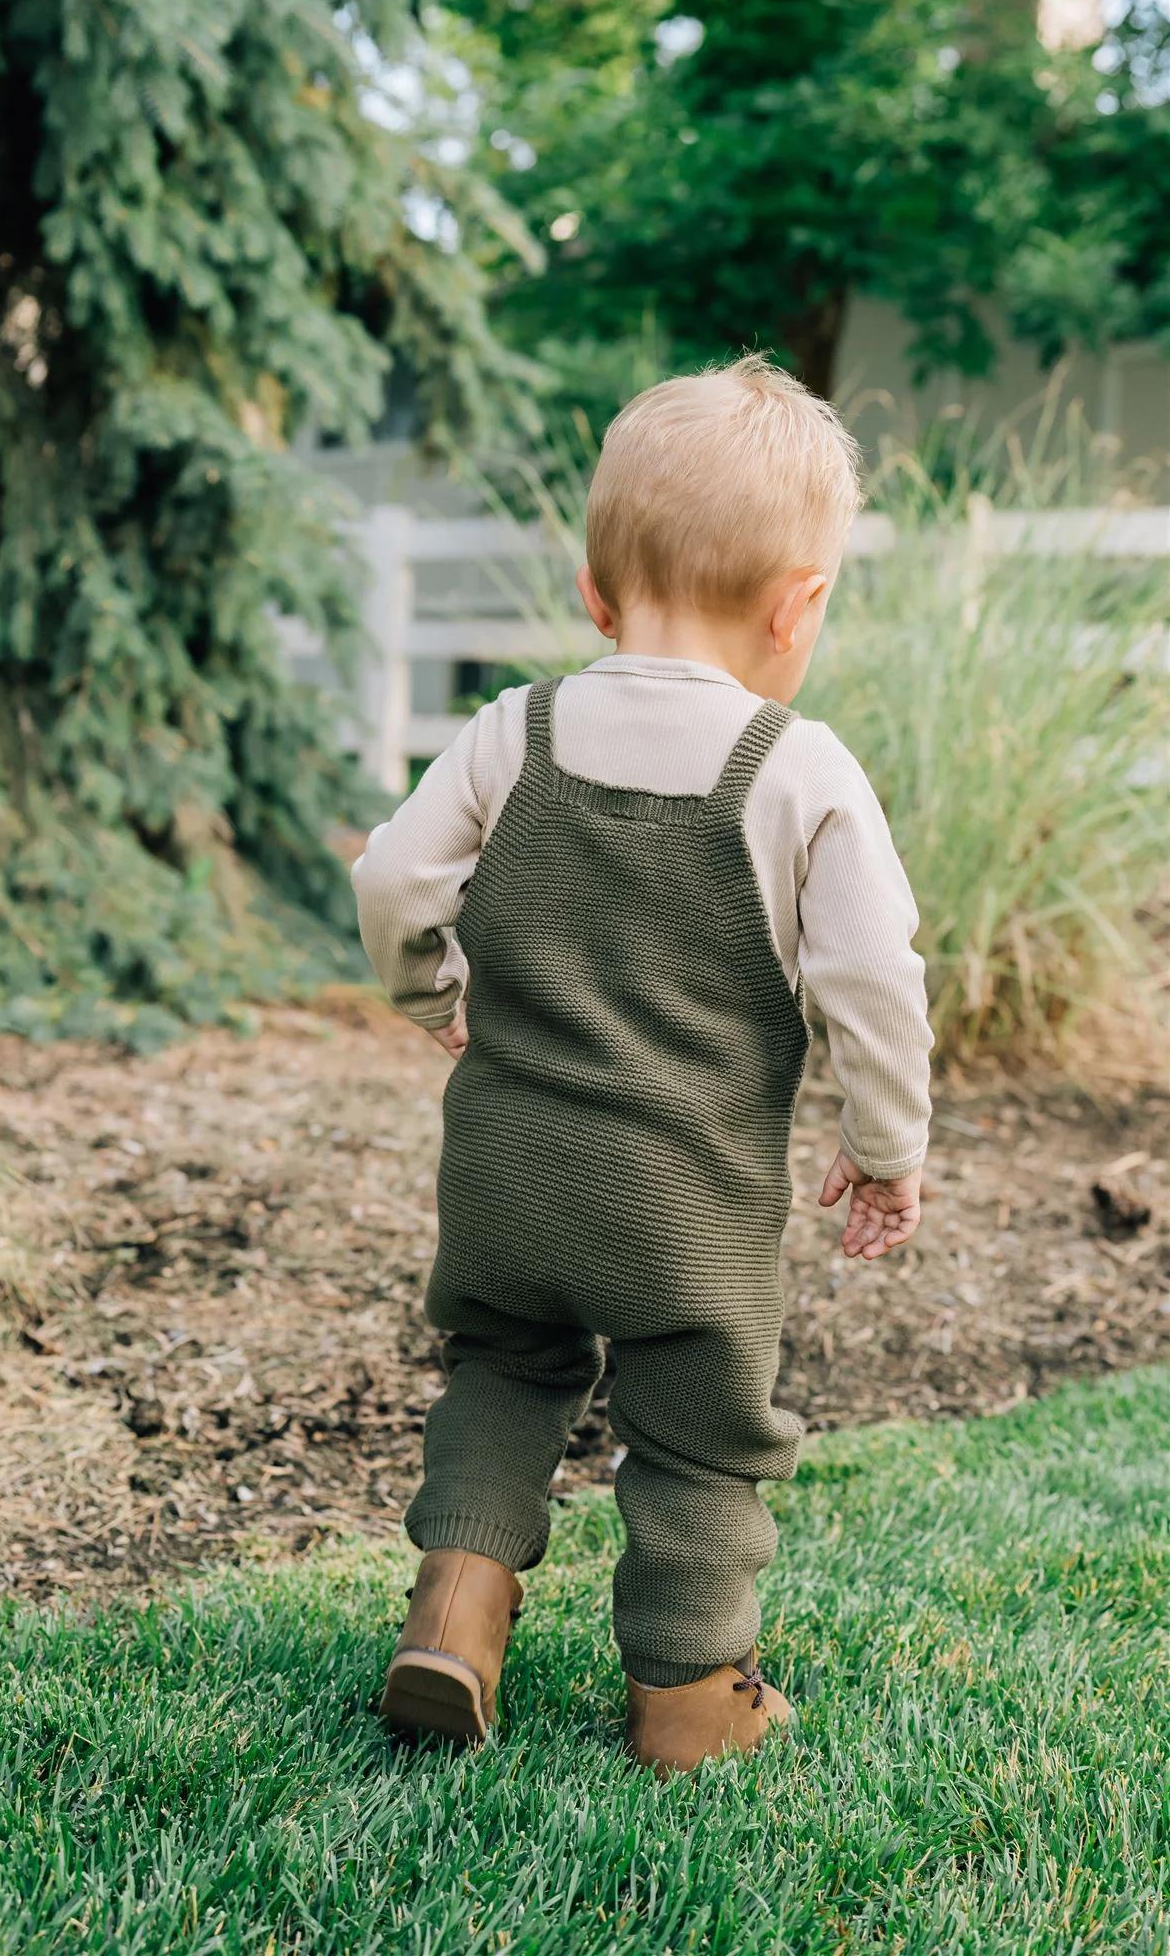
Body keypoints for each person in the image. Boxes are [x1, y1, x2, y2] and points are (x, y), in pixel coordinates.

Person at [352, 359, 933, 1774]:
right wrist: (885, 1144)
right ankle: (686, 1695)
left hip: (506, 1173)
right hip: (685, 1204)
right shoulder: (799, 770)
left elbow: (391, 876)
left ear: (594, 595)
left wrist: (430, 988)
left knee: (503, 1372)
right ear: (798, 606)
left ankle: (457, 1612)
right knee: (694, 1435)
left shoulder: (513, 729)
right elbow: (871, 981)